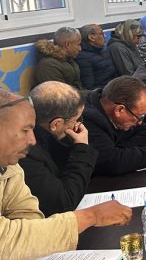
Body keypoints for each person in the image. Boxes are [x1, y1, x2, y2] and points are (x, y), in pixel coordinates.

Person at [0, 90, 131, 260]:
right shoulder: (20, 159)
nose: (32, 141)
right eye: (25, 130)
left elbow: (29, 218)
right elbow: (5, 240)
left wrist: (32, 237)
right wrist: (90, 216)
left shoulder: (10, 165)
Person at [20, 82, 99, 216]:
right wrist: (82, 148)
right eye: (76, 119)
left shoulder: (45, 135)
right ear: (56, 124)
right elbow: (63, 203)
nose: (78, 124)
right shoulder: (24, 153)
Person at [83, 76, 146, 175]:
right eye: (139, 117)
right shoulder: (87, 118)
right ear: (119, 110)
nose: (140, 122)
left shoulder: (118, 113)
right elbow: (110, 162)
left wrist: (121, 150)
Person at [76, 23, 117, 89]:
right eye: (101, 33)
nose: (105, 36)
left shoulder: (103, 50)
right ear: (91, 37)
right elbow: (90, 87)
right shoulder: (83, 58)